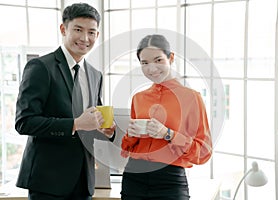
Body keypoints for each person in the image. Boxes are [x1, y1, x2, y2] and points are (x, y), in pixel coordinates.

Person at [15, 3, 116, 200]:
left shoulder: (95, 75)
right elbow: (24, 122)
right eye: (78, 30)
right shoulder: (40, 67)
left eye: (92, 32)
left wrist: (106, 130)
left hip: (83, 181)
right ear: (63, 29)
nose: (85, 38)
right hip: (48, 181)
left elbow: (90, 123)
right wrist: (76, 124)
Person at [120, 34, 212, 200]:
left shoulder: (192, 98)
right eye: (144, 63)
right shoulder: (138, 98)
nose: (151, 68)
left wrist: (168, 134)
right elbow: (128, 148)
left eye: (158, 60)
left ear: (171, 58)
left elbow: (204, 151)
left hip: (170, 180)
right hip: (134, 177)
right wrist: (131, 135)